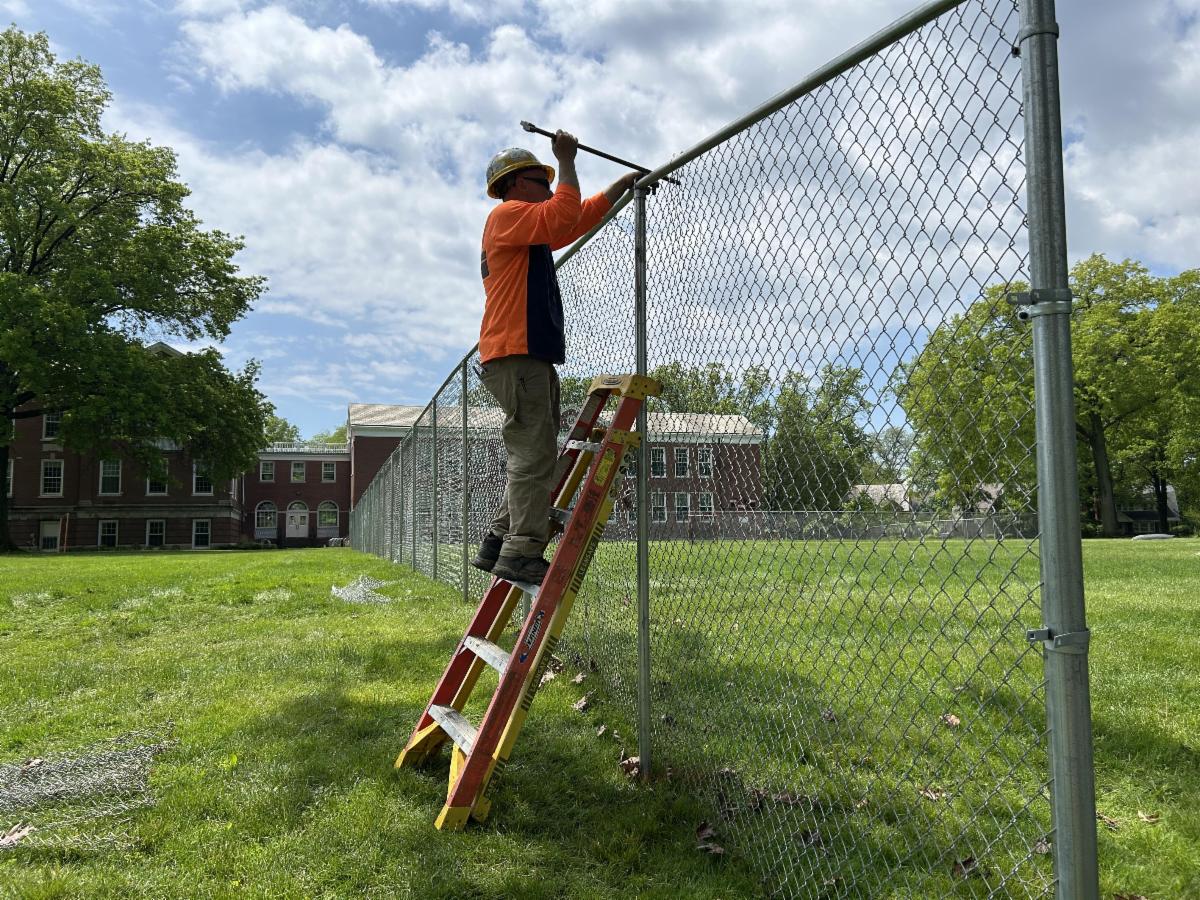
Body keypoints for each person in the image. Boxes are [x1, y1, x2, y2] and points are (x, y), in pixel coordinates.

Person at [472, 131, 639, 584]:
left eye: (550, 179)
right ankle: (522, 552)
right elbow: (562, 210)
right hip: (517, 353)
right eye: (540, 179)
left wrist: (618, 187)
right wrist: (565, 160)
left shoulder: (524, 227)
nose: (549, 186)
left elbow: (570, 221)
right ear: (516, 183)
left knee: (534, 453)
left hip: (518, 354)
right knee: (532, 455)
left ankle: (499, 539)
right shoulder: (506, 214)